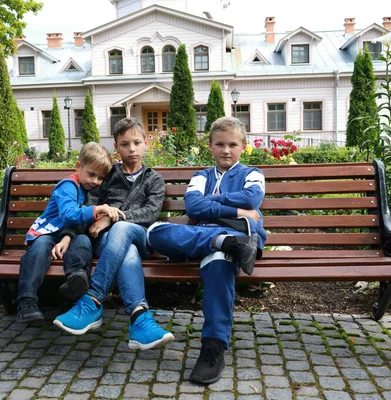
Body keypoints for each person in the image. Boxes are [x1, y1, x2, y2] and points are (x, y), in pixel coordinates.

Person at [147, 116, 268, 384]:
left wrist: (211, 202)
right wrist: (236, 210)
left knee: (220, 260)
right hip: (212, 234)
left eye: (233, 145)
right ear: (210, 146)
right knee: (155, 232)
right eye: (220, 144)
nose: (226, 150)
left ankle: (212, 349)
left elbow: (251, 198)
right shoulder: (201, 175)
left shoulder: (252, 174)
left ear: (243, 146)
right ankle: (218, 240)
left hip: (238, 235)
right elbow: (192, 207)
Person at [52, 117, 174, 350]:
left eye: (137, 143)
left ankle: (92, 299)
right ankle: (140, 319)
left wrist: (111, 217)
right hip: (108, 243)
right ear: (116, 146)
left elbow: (149, 213)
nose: (132, 149)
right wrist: (68, 235)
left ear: (146, 143)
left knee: (122, 227)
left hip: (141, 238)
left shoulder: (153, 179)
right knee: (125, 250)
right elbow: (86, 208)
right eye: (125, 144)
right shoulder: (107, 176)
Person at [16, 142, 124, 323]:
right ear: (78, 167)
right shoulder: (67, 185)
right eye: (91, 174)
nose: (95, 181)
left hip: (68, 235)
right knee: (40, 247)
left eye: (100, 178)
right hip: (47, 232)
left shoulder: (89, 190)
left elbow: (80, 225)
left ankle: (77, 278)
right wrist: (99, 209)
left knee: (83, 241)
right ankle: (26, 300)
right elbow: (69, 214)